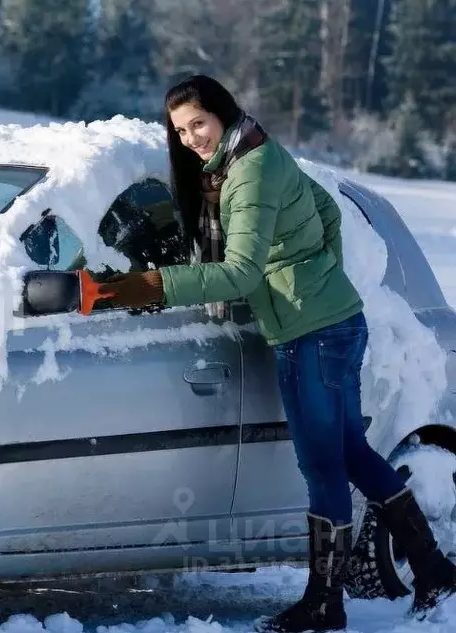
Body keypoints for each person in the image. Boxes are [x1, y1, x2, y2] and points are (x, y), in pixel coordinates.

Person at [96, 74, 456, 632]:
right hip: (329, 323)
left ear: (222, 113)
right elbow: (327, 215)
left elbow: (238, 273)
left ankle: (324, 603)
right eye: (182, 130)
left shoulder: (248, 175)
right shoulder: (259, 150)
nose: (191, 138)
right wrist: (314, 278)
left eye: (199, 124)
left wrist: (154, 284)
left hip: (312, 335)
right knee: (352, 454)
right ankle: (433, 571)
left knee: (324, 465)